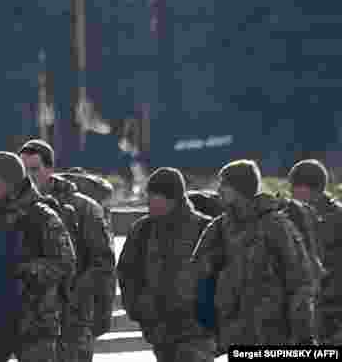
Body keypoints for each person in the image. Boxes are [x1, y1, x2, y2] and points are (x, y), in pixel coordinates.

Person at [191, 159, 318, 350]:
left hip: (273, 335)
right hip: (234, 334)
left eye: (223, 185)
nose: (219, 191)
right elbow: (197, 275)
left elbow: (299, 281)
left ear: (238, 189)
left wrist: (303, 335)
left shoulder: (275, 226)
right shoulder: (219, 228)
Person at [0, 151, 76, 362]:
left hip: (34, 323)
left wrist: (24, 269)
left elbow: (65, 263)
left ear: (12, 182)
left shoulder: (42, 216)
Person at [19, 139, 115, 361]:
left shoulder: (84, 209)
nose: (29, 176)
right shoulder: (14, 208)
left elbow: (103, 263)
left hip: (73, 320)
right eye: (24, 171)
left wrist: (77, 295)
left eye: (34, 169)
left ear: (50, 169)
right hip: (32, 322)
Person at [117, 168, 216, 362]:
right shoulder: (143, 229)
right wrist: (139, 309)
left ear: (172, 198)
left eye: (153, 196)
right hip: (160, 333)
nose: (148, 202)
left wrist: (210, 319)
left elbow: (222, 277)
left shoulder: (204, 229)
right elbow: (127, 273)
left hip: (197, 335)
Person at [289, 158, 342, 342]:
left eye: (293, 188)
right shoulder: (300, 217)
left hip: (332, 311)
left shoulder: (333, 221)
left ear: (304, 189)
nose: (291, 194)